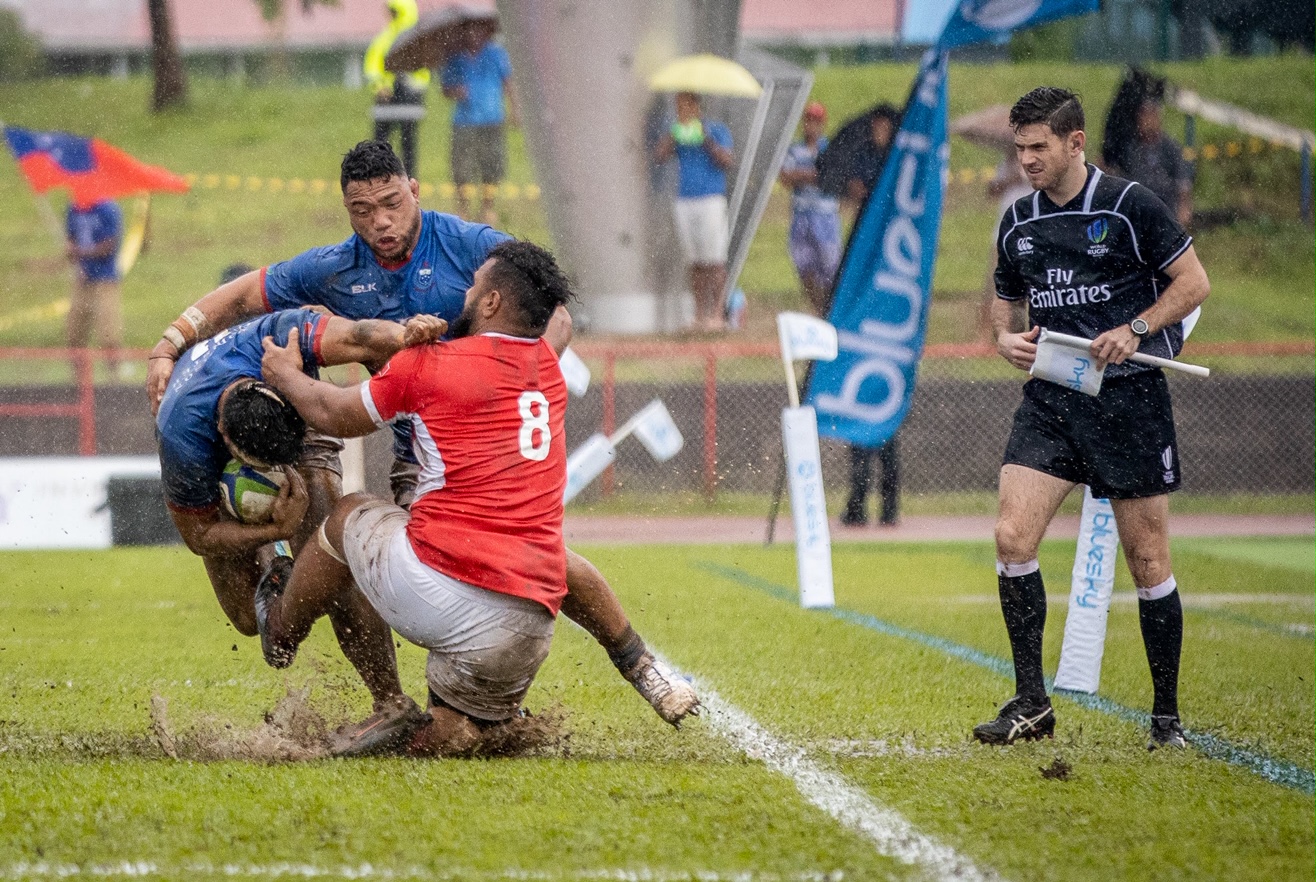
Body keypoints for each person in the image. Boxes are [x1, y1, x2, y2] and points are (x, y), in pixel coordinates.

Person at [144, 140, 699, 728]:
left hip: (472, 444)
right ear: (347, 209)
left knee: (361, 534)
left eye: (390, 202)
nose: (379, 221)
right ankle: (397, 698)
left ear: (414, 191)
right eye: (362, 209)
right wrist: (169, 341)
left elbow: (548, 308)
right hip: (417, 441)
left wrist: (493, 381)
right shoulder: (333, 269)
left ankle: (320, 642)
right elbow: (245, 297)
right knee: (518, 557)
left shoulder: (472, 249)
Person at [254, 241, 571, 757]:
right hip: (532, 628)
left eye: (473, 286)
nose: (463, 292)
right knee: (445, 739)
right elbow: (556, 325)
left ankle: (281, 630)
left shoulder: (433, 363)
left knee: (350, 512)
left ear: (490, 302)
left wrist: (284, 373)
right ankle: (445, 727)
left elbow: (333, 414)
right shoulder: (547, 366)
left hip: (455, 600)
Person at [976, 86, 1210, 750]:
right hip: (1052, 401)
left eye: (1037, 148)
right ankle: (1032, 704)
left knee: (1147, 558)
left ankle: (1166, 720)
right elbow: (1005, 294)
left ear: (1075, 143)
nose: (1025, 161)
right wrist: (1005, 339)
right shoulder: (1017, 220)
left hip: (1129, 401)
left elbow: (1193, 283)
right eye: (1019, 148)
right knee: (1012, 537)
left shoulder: (1129, 206)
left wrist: (1136, 329)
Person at [155, 307, 445, 636]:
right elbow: (199, 536)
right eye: (266, 467)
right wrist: (274, 531)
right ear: (224, 435)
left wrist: (405, 334)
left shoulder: (285, 335)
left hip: (292, 396)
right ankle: (275, 559)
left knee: (337, 564)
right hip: (208, 433)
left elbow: (358, 335)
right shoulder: (181, 439)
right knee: (249, 619)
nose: (278, 471)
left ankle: (388, 691)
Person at [654, 91, 735, 333]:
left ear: (697, 107)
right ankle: (700, 315)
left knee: (715, 259)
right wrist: (673, 136)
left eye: (686, 106)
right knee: (696, 260)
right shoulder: (678, 131)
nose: (683, 111)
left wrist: (706, 139)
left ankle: (717, 314)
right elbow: (659, 155)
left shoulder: (716, 130)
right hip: (685, 199)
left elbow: (726, 160)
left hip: (710, 198)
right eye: (679, 106)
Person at [441, 14, 516, 224]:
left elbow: (508, 80)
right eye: (469, 30)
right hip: (464, 120)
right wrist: (456, 91)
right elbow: (445, 88)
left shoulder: (496, 54)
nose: (473, 34)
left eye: (478, 29)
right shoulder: (454, 57)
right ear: (463, 32)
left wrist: (515, 109)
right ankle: (463, 207)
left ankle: (487, 208)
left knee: (491, 164)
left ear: (486, 31)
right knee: (462, 166)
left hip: (492, 117)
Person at [779, 101, 842, 317]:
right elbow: (786, 177)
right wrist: (814, 175)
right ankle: (818, 309)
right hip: (801, 216)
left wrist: (802, 175)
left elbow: (833, 178)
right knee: (804, 265)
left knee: (830, 267)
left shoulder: (831, 148)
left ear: (822, 124)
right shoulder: (794, 149)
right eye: (808, 120)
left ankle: (830, 309)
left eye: (816, 121)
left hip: (825, 216)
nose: (811, 125)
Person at [364, 0, 430, 180]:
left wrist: (410, 85)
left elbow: (423, 73)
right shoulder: (385, 38)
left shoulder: (415, 40)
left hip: (409, 98)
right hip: (386, 98)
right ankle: (379, 177)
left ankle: (408, 181)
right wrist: (381, 87)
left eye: (392, 11)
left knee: (408, 145)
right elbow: (371, 67)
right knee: (380, 145)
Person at [65, 197, 123, 368]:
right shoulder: (74, 207)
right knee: (75, 329)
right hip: (83, 278)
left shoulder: (108, 208)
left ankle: (114, 378)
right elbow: (71, 236)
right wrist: (72, 251)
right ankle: (77, 380)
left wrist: (81, 252)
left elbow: (110, 245)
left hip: (105, 277)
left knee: (108, 330)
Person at [1123, 99, 1194, 229]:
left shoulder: (1170, 147)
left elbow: (1183, 180)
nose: (1147, 121)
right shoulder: (1132, 148)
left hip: (1166, 204)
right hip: (1139, 204)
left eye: (1151, 116)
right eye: (1144, 116)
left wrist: (1184, 207)